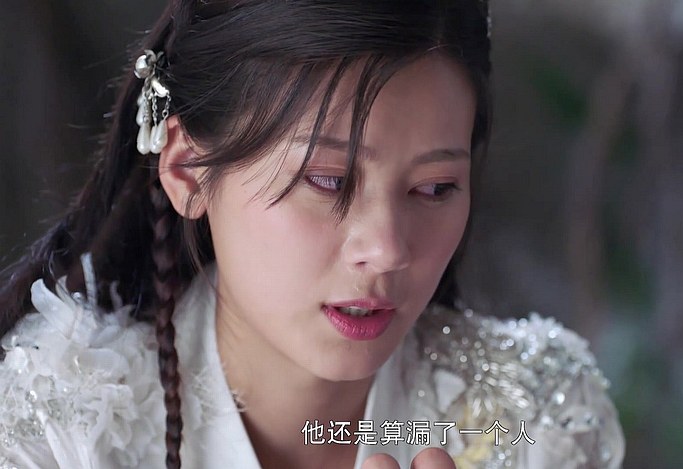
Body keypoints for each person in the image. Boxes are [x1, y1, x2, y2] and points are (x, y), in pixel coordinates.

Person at [0, 1, 625, 468]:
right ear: (188, 170)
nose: (388, 249)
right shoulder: (60, 429)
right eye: (327, 181)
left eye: (436, 188)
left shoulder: (534, 421)